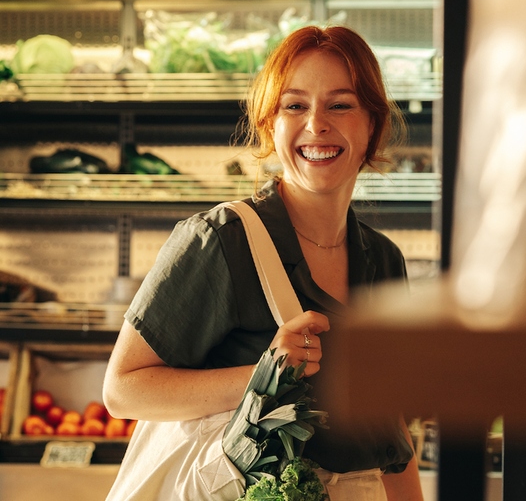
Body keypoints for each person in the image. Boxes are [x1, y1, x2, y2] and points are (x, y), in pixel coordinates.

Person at [102, 25, 424, 500]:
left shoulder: (383, 260)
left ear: (372, 124)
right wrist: (265, 375)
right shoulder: (220, 241)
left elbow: (390, 424)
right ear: (269, 124)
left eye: (340, 104)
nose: (317, 124)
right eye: (295, 106)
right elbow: (123, 390)